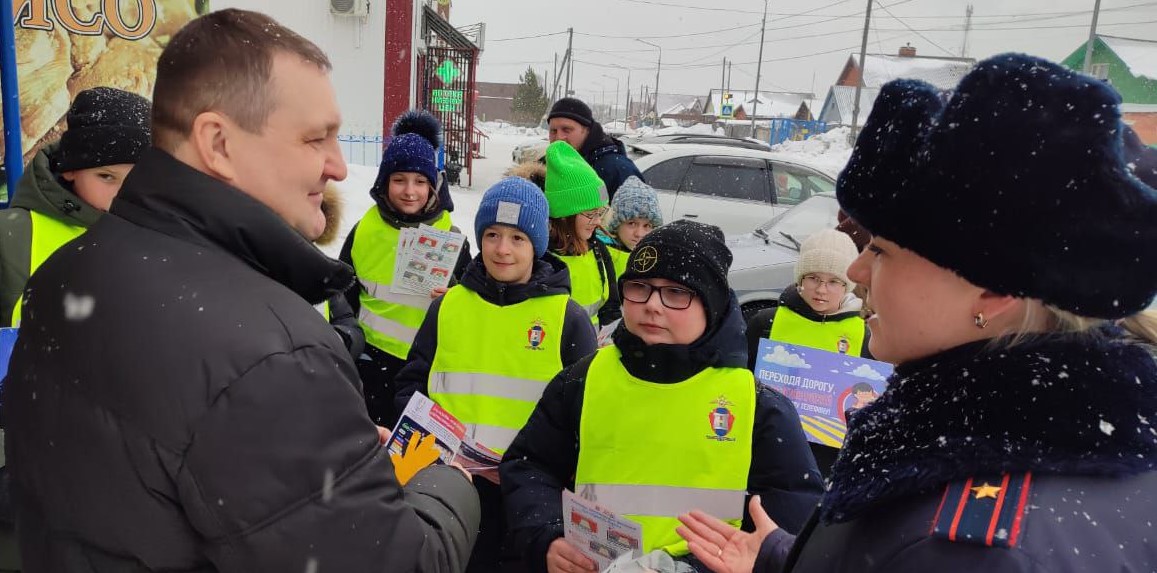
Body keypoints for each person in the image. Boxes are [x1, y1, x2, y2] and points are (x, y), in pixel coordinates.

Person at [2, 9, 479, 571]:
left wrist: (333, 463)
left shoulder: (70, 269)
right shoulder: (273, 357)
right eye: (315, 138)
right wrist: (445, 485)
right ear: (219, 144)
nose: (339, 167)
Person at [675, 53, 1157, 573]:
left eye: (882, 250)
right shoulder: (1041, 445)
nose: (857, 272)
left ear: (993, 289)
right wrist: (783, 559)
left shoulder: (972, 546)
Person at [501, 220, 824, 573]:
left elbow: (791, 518)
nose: (653, 305)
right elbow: (530, 466)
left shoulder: (757, 406)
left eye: (675, 293)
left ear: (711, 305)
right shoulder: (583, 379)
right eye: (639, 287)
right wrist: (547, 538)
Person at [395, 177, 598, 572]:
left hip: (526, 501)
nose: (502, 249)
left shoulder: (566, 318)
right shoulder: (448, 307)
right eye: (492, 234)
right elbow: (411, 385)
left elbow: (586, 417)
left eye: (517, 238)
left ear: (536, 244)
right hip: (449, 487)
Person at [339, 110, 471, 427]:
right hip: (370, 361)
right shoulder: (364, 231)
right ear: (383, 183)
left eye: (420, 181)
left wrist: (454, 296)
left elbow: (475, 301)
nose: (409, 191)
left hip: (427, 365)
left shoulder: (451, 239)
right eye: (399, 180)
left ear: (433, 187)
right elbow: (342, 292)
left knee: (414, 451)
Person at [0, 87, 150, 328]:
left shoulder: (171, 237)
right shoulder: (12, 238)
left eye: (139, 178)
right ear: (70, 169)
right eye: (106, 176)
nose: (123, 193)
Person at [744, 229, 871, 476]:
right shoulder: (766, 323)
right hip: (765, 450)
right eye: (813, 277)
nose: (821, 289)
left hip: (827, 461)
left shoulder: (863, 335)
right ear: (800, 279)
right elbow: (742, 381)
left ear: (847, 286)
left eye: (834, 281)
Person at [544, 140, 621, 327]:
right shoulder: (544, 259)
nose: (597, 220)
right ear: (564, 215)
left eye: (600, 212)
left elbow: (610, 306)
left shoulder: (599, 251)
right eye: (590, 213)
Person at [547, 97, 643, 199]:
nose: (558, 137)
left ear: (586, 130)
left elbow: (636, 212)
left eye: (566, 130)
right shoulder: (545, 166)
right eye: (553, 131)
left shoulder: (617, 170)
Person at [601, 175, 663, 276]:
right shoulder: (601, 257)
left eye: (647, 226)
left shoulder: (654, 259)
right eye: (632, 224)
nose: (639, 234)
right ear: (616, 224)